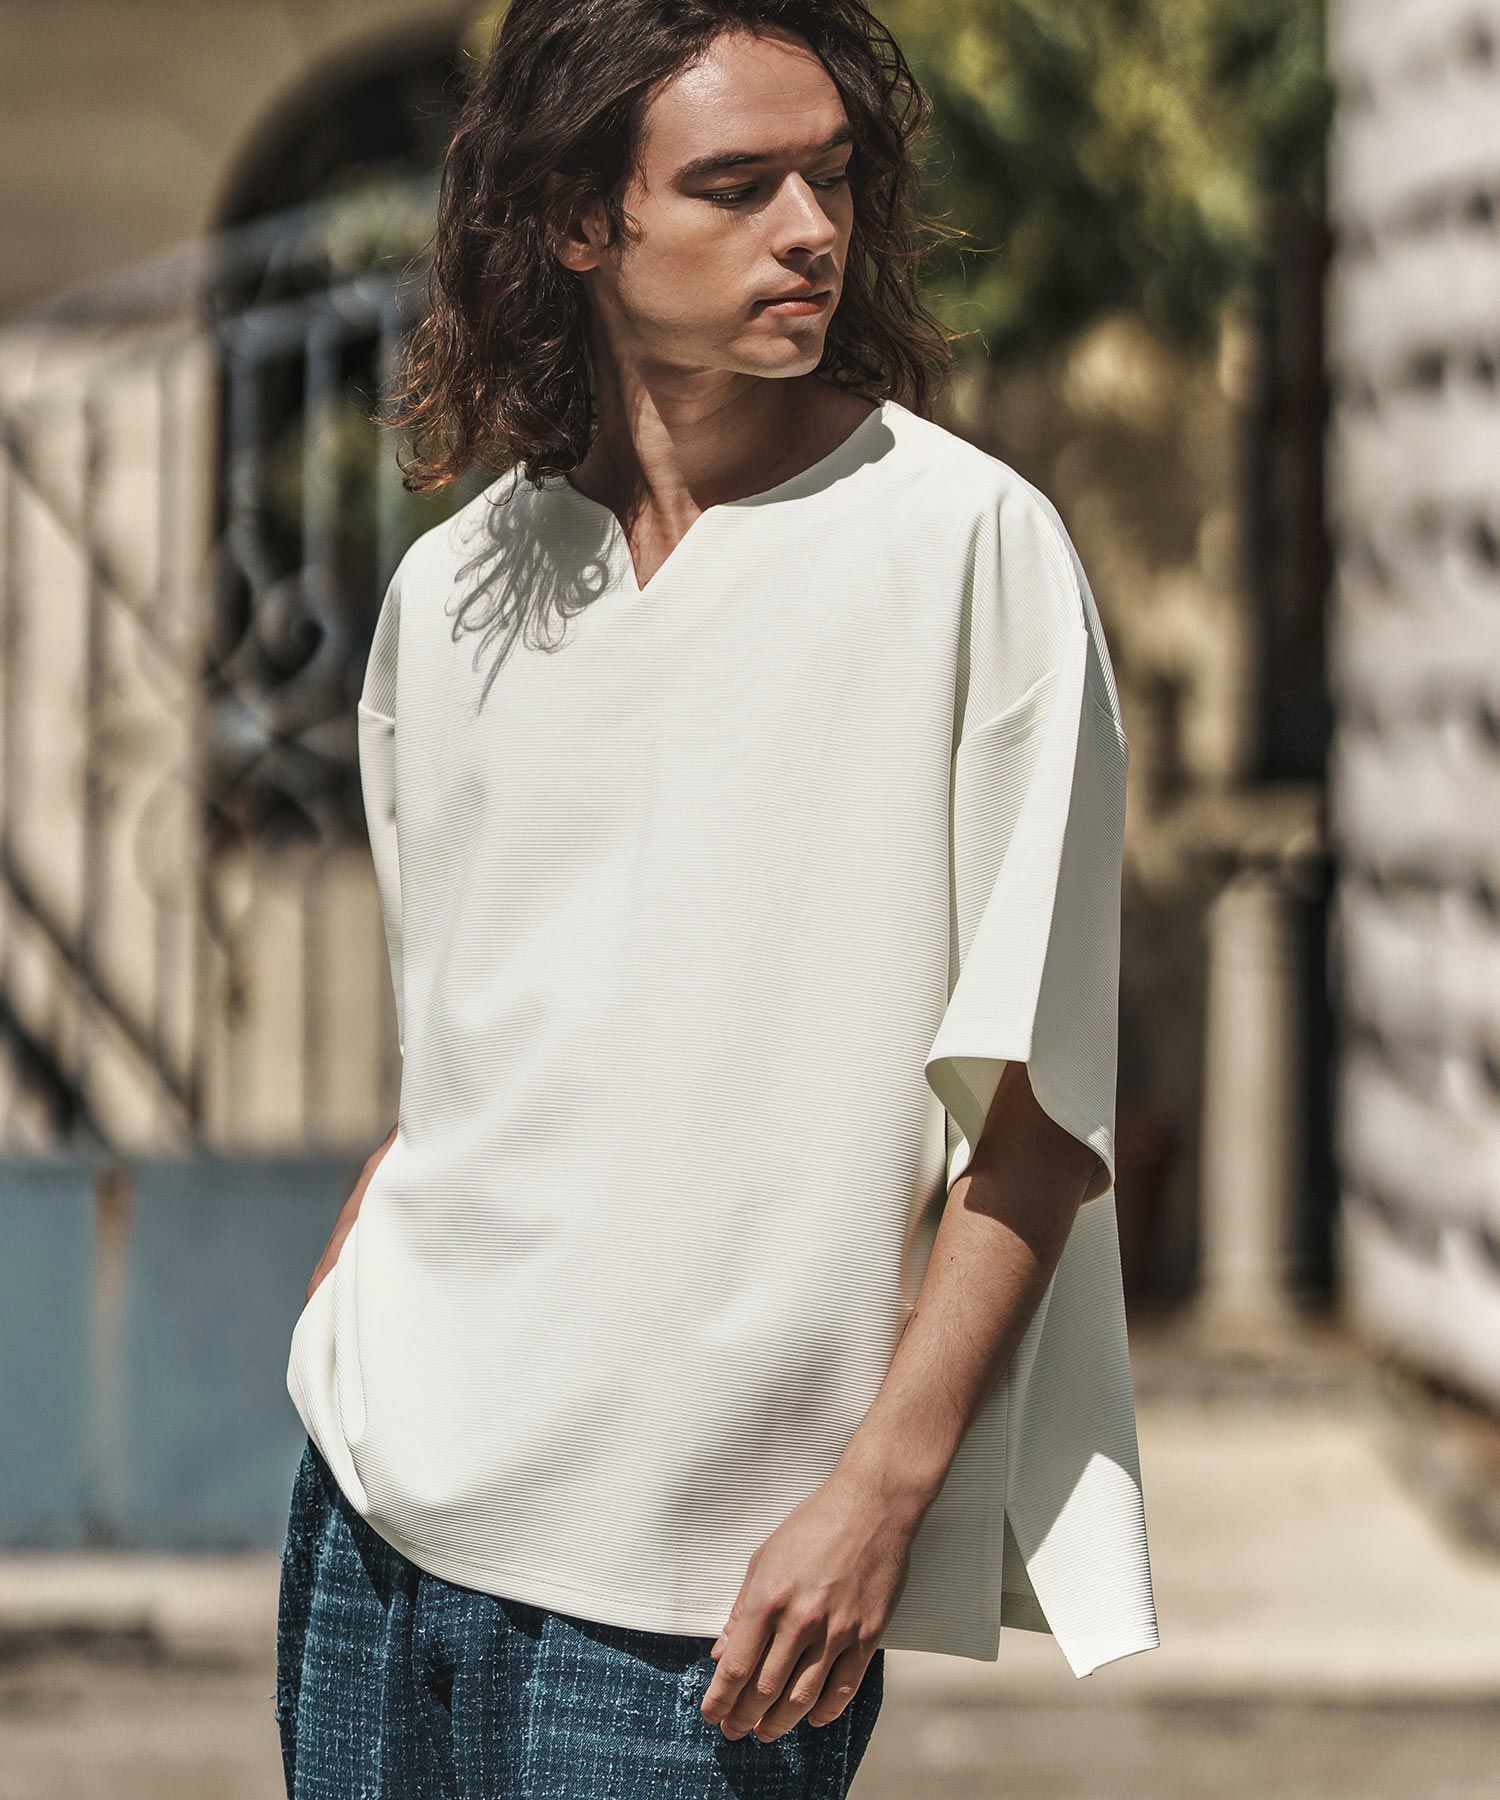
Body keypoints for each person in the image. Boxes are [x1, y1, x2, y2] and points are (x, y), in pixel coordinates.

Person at [274, 1, 1160, 1794]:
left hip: (711, 1601)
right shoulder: (458, 589)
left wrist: (879, 1495)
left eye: (831, 176)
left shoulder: (967, 549)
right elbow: (454, 1061)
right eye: (738, 186)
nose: (812, 230)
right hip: (376, 1519)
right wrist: (351, 1308)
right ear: (576, 219)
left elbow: (1039, 1112)